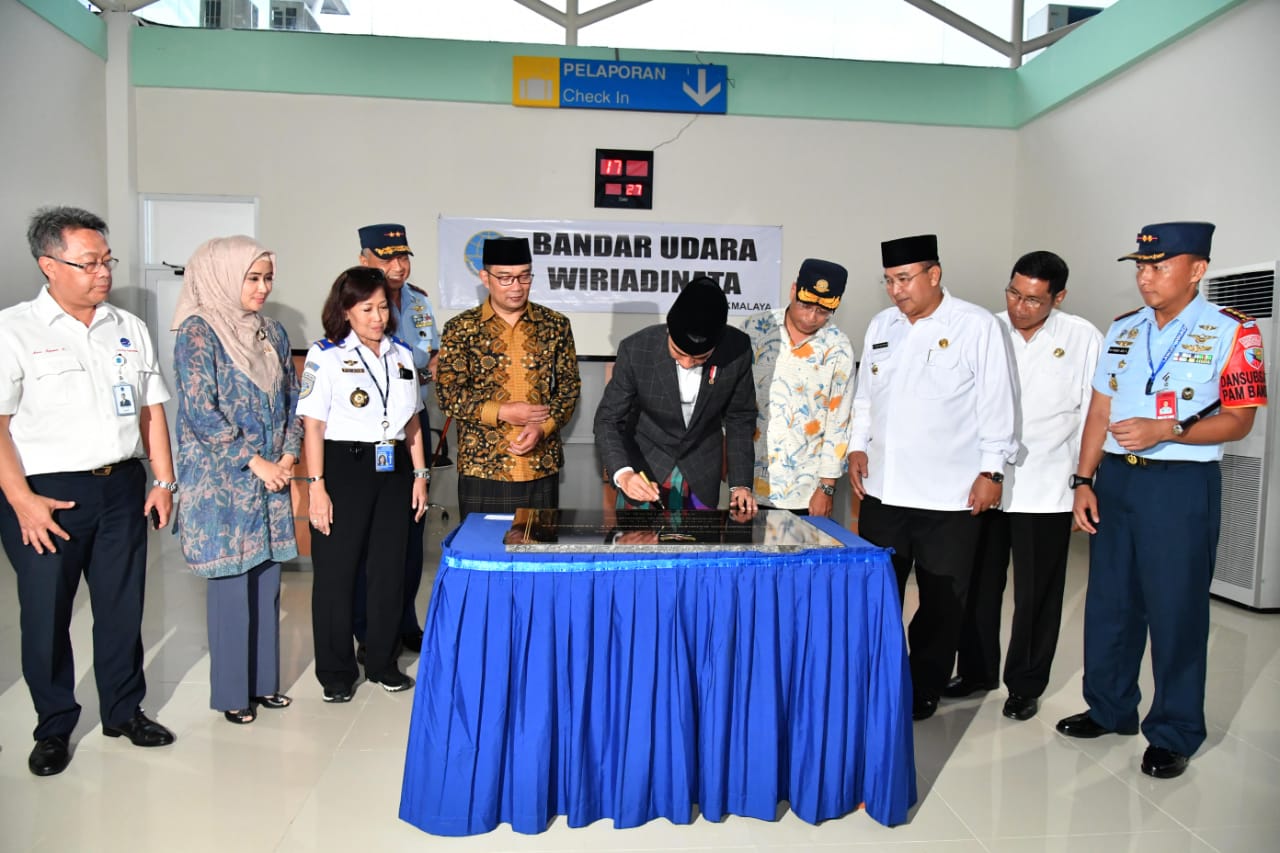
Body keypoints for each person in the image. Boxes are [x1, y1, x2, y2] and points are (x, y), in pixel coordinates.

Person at [1057, 222, 1266, 779]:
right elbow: (1099, 412)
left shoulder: (1235, 332)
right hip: (1117, 484)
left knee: (1175, 610)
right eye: (1140, 267)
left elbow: (1239, 421)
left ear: (1197, 270)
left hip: (1180, 486)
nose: (1145, 277)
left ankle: (1174, 731)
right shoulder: (1123, 329)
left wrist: (1165, 430)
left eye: (1158, 266)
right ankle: (1109, 707)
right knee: (1110, 604)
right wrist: (1083, 481)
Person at [0, 206, 177, 776]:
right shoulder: (14, 330)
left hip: (122, 486)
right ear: (48, 264)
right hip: (44, 495)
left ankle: (124, 711)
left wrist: (163, 480)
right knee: (46, 616)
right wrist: (22, 500)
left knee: (122, 608)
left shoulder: (128, 327)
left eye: (107, 260)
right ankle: (53, 726)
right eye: (89, 262)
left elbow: (153, 412)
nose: (102, 272)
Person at [847, 234, 1018, 721]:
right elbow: (865, 398)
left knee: (942, 600)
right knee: (878, 593)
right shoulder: (882, 326)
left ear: (934, 275)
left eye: (904, 279)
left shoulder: (975, 326)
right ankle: (878, 677)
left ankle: (924, 683)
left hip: (950, 495)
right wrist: (857, 445)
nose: (896, 290)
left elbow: (996, 404)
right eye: (889, 281)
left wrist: (991, 471)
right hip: (883, 491)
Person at [947, 251, 1102, 721]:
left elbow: (1094, 416)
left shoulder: (1082, 338)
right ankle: (976, 671)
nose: (1020, 306)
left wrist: (1084, 482)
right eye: (1014, 293)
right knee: (977, 586)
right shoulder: (983, 329)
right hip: (987, 482)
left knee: (1038, 593)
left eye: (1034, 299)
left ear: (1059, 296)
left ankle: (1026, 683)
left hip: (1047, 487)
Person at [172, 236, 303, 725]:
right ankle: (232, 692)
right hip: (224, 481)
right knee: (231, 585)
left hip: (271, 477)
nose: (263, 287)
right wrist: (255, 461)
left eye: (268, 277)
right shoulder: (197, 332)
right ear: (222, 276)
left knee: (267, 581)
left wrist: (289, 454)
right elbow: (200, 411)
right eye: (253, 278)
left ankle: (264, 683)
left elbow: (292, 397)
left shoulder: (272, 332)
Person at [297, 267, 430, 702]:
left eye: (382, 307)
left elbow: (412, 422)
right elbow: (313, 426)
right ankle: (336, 672)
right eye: (366, 308)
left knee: (388, 571)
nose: (377, 317)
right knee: (337, 573)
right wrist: (316, 486)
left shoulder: (402, 355)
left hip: (394, 469)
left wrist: (421, 476)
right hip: (344, 468)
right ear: (346, 310)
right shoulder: (327, 354)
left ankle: (382, 661)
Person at [436, 236, 580, 518]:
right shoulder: (461, 329)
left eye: (524, 277)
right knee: (483, 557)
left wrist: (544, 427)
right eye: (505, 278)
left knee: (537, 556)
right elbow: (448, 395)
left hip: (540, 464)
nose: (516, 287)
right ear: (485, 277)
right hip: (484, 467)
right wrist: (502, 411)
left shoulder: (555, 325)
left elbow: (569, 388)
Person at [596, 276, 759, 516]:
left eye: (700, 359)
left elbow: (740, 418)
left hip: (702, 472)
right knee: (637, 549)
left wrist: (741, 484)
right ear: (669, 331)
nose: (686, 364)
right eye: (678, 353)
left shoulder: (737, 349)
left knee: (699, 550)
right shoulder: (637, 349)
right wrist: (623, 473)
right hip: (644, 469)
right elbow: (608, 419)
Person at [354, 223, 440, 654]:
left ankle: (405, 622)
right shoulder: (352, 300)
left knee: (410, 530)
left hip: (412, 426)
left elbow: (431, 358)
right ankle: (367, 630)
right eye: (387, 257)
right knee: (369, 539)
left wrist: (420, 375)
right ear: (364, 257)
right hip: (365, 434)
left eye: (403, 256)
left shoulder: (418, 303)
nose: (398, 265)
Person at [742, 258, 854, 515]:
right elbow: (731, 400)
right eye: (805, 305)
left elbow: (839, 423)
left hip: (805, 492)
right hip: (748, 483)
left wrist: (826, 488)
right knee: (746, 555)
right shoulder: (755, 329)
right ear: (793, 290)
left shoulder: (839, 348)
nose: (812, 317)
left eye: (823, 311)